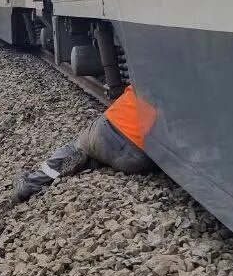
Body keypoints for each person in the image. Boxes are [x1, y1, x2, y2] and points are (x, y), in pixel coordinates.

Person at [13, 84, 157, 203]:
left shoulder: (144, 76)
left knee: (75, 146)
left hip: (107, 131)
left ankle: (31, 183)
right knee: (98, 153)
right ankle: (95, 160)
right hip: (138, 160)